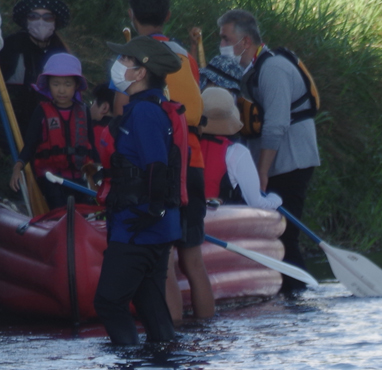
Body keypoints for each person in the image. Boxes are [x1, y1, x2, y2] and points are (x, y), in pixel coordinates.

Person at [218, 8, 322, 293]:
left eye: (226, 39)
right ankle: (281, 294)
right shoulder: (251, 69)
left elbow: (275, 125)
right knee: (271, 237)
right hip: (272, 163)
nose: (223, 45)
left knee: (285, 237)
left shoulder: (273, 69)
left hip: (291, 163)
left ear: (246, 42)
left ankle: (298, 298)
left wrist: (261, 172)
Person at [94, 37, 186, 347]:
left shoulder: (145, 113)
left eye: (125, 60)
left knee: (109, 301)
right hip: (148, 226)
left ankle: (130, 365)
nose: (118, 64)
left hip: (140, 227)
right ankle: (165, 361)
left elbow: (157, 165)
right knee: (148, 301)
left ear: (140, 73)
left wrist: (153, 211)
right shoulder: (143, 109)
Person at [129, 0, 215, 322]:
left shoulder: (133, 54)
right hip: (193, 163)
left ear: (130, 15)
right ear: (168, 16)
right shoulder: (185, 57)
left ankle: (171, 338)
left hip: (158, 165)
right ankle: (206, 330)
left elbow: (126, 110)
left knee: (162, 263)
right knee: (193, 261)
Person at [8, 52, 95, 206]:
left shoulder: (84, 111)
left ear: (76, 86)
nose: (61, 90)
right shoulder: (41, 111)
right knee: (60, 210)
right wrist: (18, 167)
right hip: (50, 178)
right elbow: (30, 144)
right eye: (56, 84)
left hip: (78, 178)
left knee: (85, 212)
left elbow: (92, 145)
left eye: (67, 84)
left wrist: (99, 172)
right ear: (48, 85)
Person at [199, 86, 282, 208]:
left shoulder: (186, 145)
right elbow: (257, 204)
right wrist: (275, 199)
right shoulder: (237, 152)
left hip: (187, 220)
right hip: (220, 222)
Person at [0, 0, 70, 123]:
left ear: (54, 21)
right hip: (11, 118)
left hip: (49, 121)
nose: (40, 21)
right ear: (26, 20)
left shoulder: (61, 53)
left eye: (47, 17)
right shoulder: (11, 45)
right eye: (33, 16)